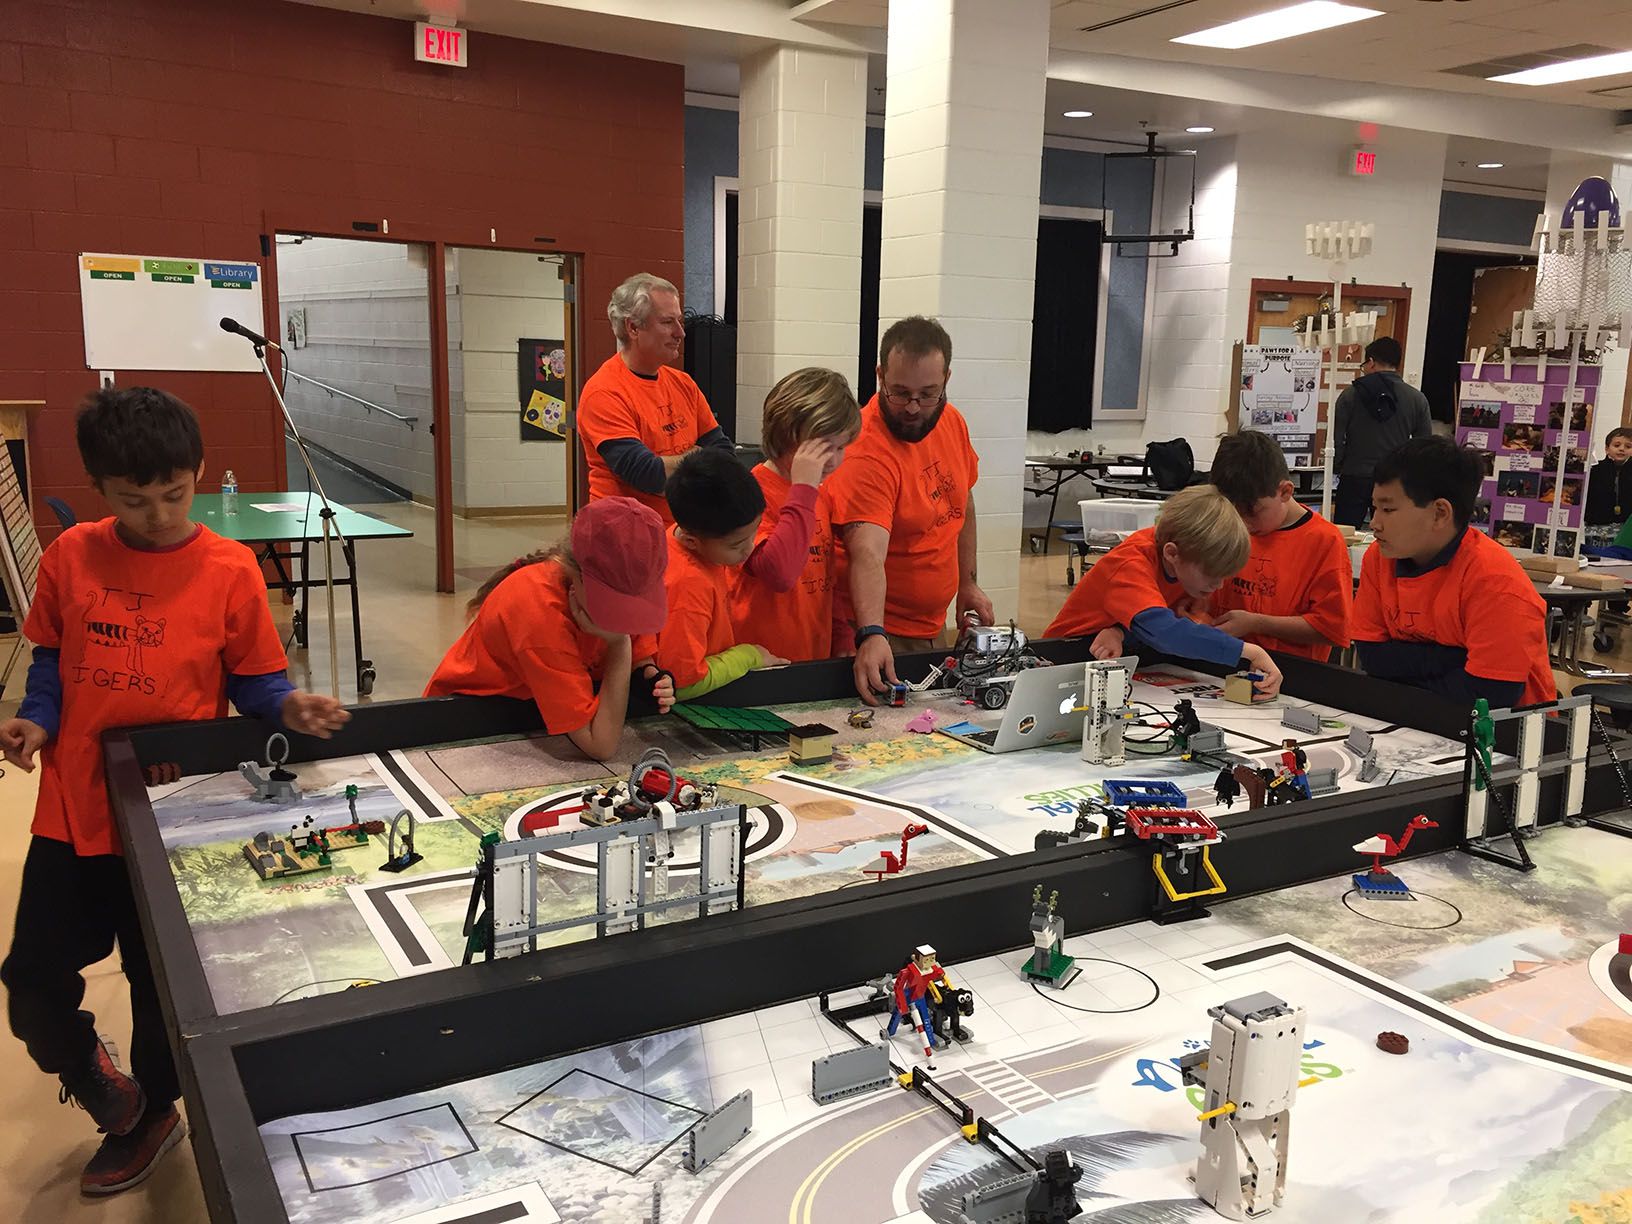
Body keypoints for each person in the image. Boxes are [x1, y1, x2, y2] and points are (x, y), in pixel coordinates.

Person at [0, 387, 349, 1196]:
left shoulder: (228, 569)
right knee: (30, 980)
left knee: (165, 990)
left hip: (173, 808)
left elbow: (256, 678)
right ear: (99, 489)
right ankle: (91, 1070)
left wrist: (286, 704)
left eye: (174, 494)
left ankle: (153, 1114)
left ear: (197, 474)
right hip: (75, 804)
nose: (158, 514)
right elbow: (51, 660)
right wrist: (36, 720)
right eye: (134, 499)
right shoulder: (70, 557)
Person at [425, 497, 674, 760]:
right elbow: (600, 745)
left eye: (633, 603)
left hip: (536, 711)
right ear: (576, 576)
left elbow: (639, 650)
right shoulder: (538, 614)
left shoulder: (613, 583)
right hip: (467, 720)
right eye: (614, 604)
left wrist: (648, 675)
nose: (624, 616)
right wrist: (620, 645)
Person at [827, 317, 991, 705]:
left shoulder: (950, 421)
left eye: (928, 393)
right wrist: (871, 632)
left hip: (930, 628)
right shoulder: (864, 448)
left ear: (947, 379)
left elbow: (960, 501)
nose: (913, 407)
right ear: (880, 375)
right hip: (881, 628)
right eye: (899, 393)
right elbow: (866, 549)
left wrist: (967, 582)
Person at [1354, 436, 1556, 707]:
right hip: (1411, 719)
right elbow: (1372, 657)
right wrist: (1456, 658)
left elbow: (1489, 694)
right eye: (1374, 508)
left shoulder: (1495, 581)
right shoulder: (1380, 558)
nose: (1375, 524)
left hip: (1503, 737)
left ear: (1440, 513)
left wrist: (1406, 667)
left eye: (1388, 509)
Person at [1045, 484, 1283, 699]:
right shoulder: (1130, 564)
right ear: (1172, 553)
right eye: (1212, 576)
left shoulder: (1186, 562)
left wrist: (1119, 631)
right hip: (1059, 664)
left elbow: (1146, 622)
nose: (1218, 586)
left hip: (1117, 660)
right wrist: (1249, 652)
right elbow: (1165, 633)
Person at [576, 272, 734, 520]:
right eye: (668, 322)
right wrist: (697, 456)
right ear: (633, 327)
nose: (681, 333)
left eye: (679, 321)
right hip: (626, 535)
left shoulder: (683, 383)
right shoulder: (604, 392)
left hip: (684, 529)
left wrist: (670, 465)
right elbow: (647, 475)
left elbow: (724, 454)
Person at [729, 368, 859, 663]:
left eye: (841, 448)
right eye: (823, 448)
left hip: (810, 659)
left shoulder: (816, 495)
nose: (834, 460)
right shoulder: (750, 494)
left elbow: (825, 578)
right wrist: (802, 488)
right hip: (761, 664)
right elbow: (780, 573)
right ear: (787, 435)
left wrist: (841, 634)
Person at [1208, 429, 1353, 661]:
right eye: (1233, 512)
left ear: (1285, 492)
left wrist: (1255, 623)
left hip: (1293, 675)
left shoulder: (1324, 541)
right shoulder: (1226, 526)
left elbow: (1332, 629)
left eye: (1252, 512)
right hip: (1220, 662)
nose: (1242, 524)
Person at [660, 449, 787, 698]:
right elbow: (680, 683)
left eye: (755, 533)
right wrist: (749, 656)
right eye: (736, 545)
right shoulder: (687, 584)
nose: (749, 549)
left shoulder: (688, 535)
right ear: (692, 541)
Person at [1330, 336, 1433, 528]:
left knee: (1345, 534)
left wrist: (1339, 466)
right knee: (1393, 533)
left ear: (1371, 362)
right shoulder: (1417, 398)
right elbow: (1424, 446)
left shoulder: (1351, 395)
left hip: (1355, 475)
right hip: (1395, 479)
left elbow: (1336, 439)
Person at [1585, 426, 1632, 549]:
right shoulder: (1595, 470)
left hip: (1626, 527)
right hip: (1596, 526)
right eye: (1617, 445)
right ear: (1607, 449)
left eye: (1628, 446)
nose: (1622, 449)